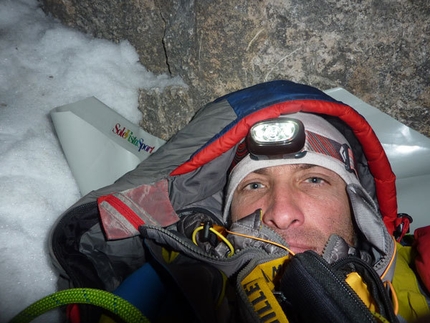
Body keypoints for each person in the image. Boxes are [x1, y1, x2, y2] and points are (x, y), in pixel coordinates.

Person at [48, 80, 429, 323]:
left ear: (358, 207)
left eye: (314, 180)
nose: (280, 214)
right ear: (225, 219)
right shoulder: (143, 303)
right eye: (254, 186)